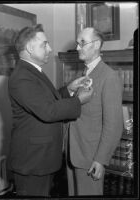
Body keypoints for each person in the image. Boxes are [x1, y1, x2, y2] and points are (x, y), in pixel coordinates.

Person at [7, 24, 93, 196]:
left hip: (40, 159)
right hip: (32, 162)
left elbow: (45, 101)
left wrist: (68, 89)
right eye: (44, 44)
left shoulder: (31, 71)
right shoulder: (22, 76)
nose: (50, 48)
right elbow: (48, 111)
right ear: (30, 48)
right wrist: (78, 100)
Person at [66, 27, 123, 195]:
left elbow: (113, 125)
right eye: (77, 43)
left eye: (82, 43)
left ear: (97, 44)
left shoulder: (109, 76)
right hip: (73, 153)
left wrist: (100, 159)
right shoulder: (82, 73)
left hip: (90, 157)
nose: (77, 48)